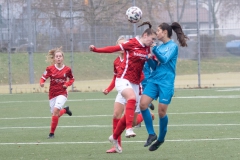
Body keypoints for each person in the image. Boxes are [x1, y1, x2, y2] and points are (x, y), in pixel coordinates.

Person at [89, 21, 156, 153]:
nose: (153, 42)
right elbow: (112, 49)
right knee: (120, 110)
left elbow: (149, 64)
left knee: (134, 119)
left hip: (135, 84)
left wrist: (153, 57)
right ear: (145, 35)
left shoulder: (147, 48)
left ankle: (115, 137)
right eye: (152, 39)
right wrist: (96, 49)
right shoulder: (131, 44)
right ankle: (127, 131)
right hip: (123, 80)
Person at [140, 22, 188, 151]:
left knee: (161, 112)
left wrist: (154, 49)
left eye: (159, 30)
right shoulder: (159, 47)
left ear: (165, 32)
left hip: (166, 83)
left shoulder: (172, 46)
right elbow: (155, 66)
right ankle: (151, 133)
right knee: (143, 104)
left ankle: (160, 139)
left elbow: (165, 60)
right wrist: (149, 58)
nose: (157, 33)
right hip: (154, 80)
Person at [40, 47, 75, 139]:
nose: (59, 58)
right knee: (55, 114)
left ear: (63, 58)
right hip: (52, 94)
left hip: (62, 93)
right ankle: (65, 110)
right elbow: (43, 77)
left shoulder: (67, 69)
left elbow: (72, 78)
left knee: (55, 111)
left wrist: (67, 84)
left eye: (60, 56)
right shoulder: (50, 68)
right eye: (57, 56)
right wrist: (42, 82)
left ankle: (51, 134)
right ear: (54, 58)